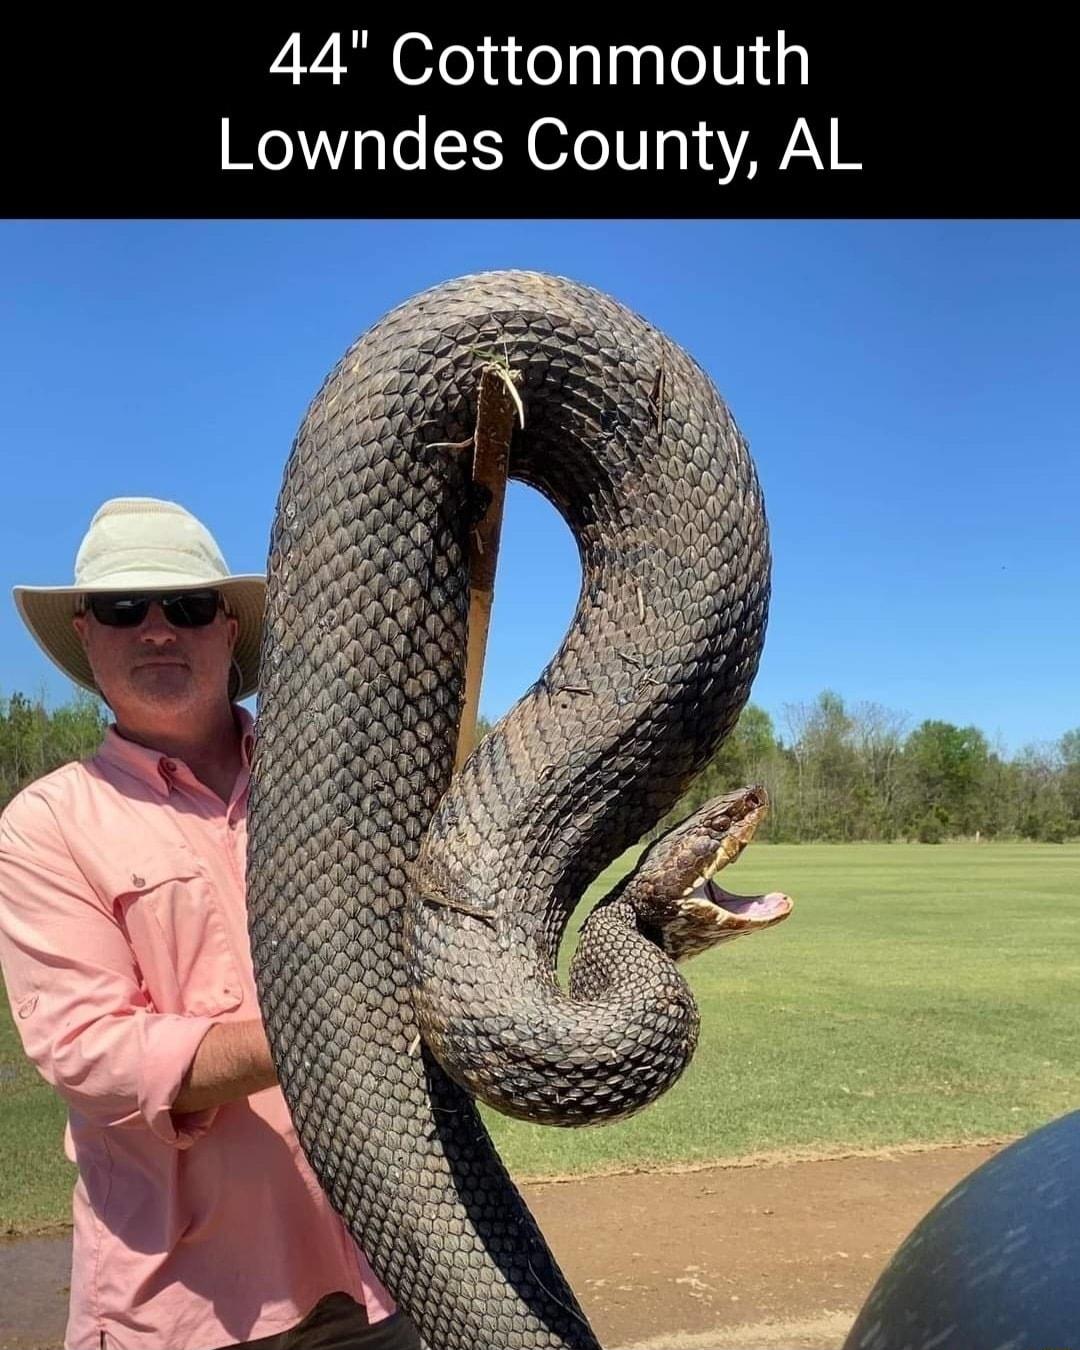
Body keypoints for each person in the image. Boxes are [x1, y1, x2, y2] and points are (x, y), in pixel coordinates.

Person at [0, 497, 422, 1350]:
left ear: (229, 630)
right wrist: (323, 1036)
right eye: (126, 608)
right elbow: (92, 1054)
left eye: (188, 606)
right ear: (87, 633)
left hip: (384, 1268)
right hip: (187, 1309)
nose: (158, 628)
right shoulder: (46, 824)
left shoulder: (341, 785)